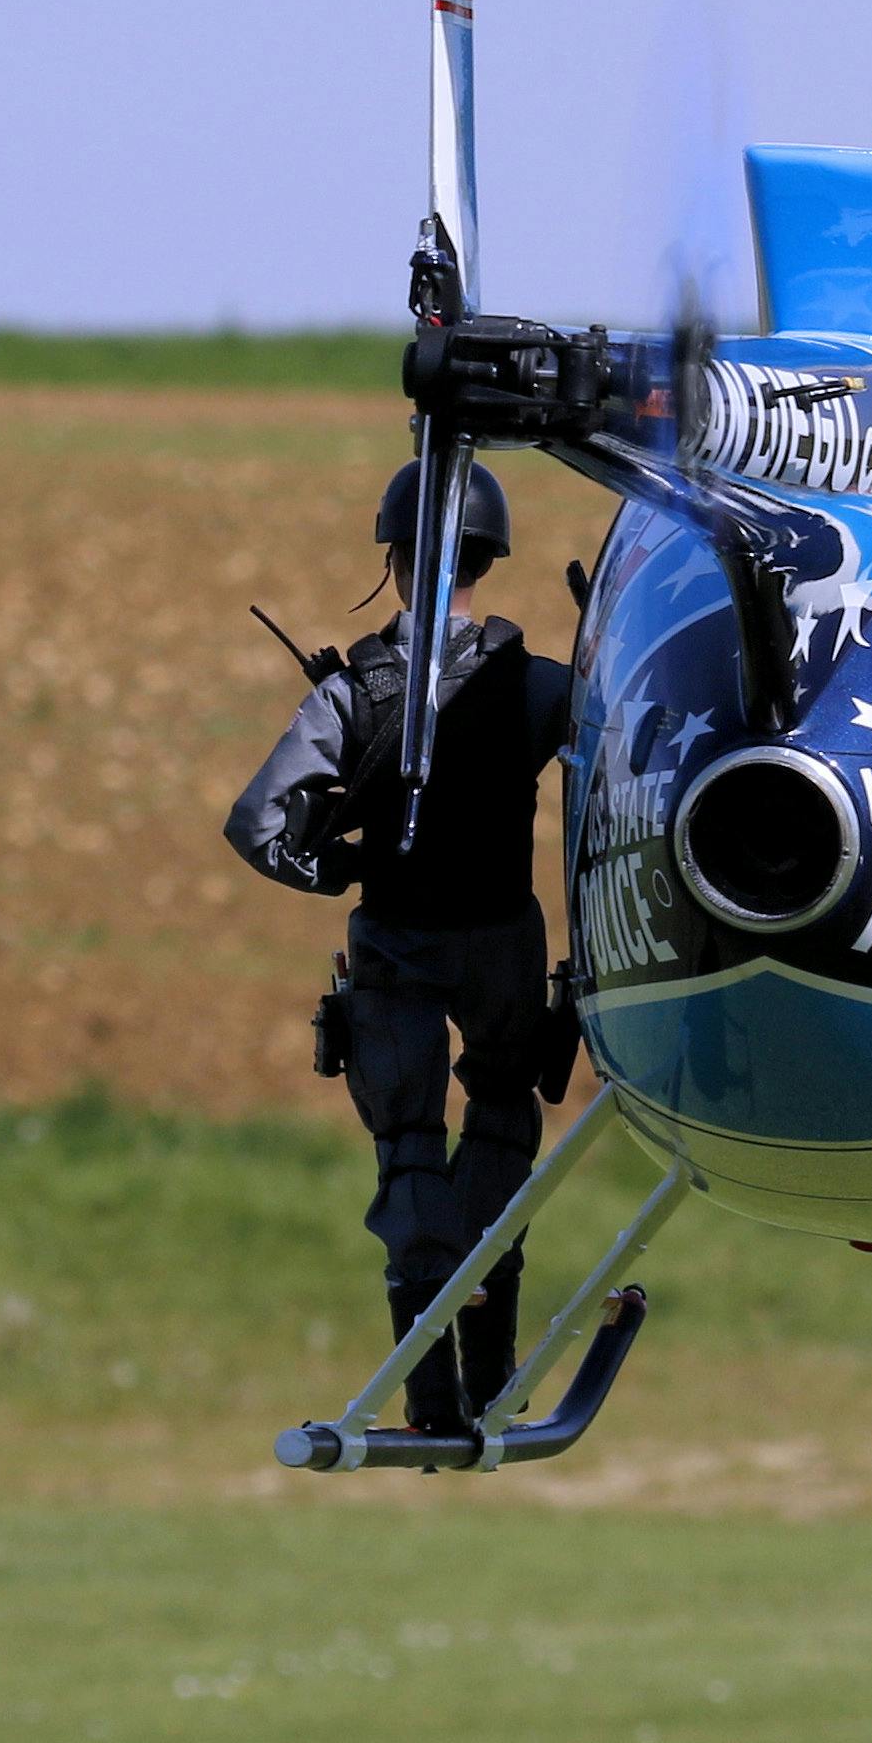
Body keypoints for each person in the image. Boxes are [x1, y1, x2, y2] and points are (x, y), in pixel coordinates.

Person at [223, 457, 574, 1435]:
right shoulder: (542, 687)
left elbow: (257, 827)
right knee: (503, 1118)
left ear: (393, 555)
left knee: (411, 1147)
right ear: (487, 559)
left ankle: (431, 1398)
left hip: (398, 949)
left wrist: (331, 871)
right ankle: (494, 1367)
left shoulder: (353, 697)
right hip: (505, 943)